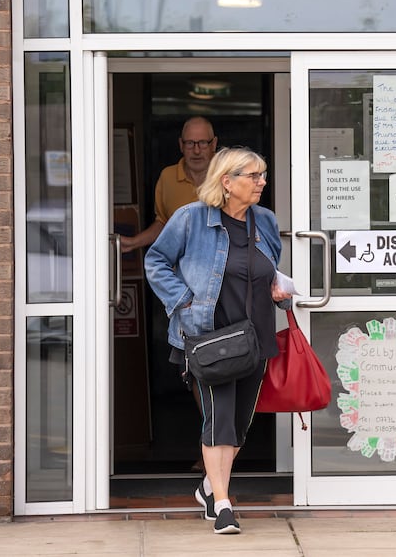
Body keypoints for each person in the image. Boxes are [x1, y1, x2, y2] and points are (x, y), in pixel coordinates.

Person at [144, 147, 292, 535]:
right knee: (218, 418)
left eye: (263, 175)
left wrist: (277, 289)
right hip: (208, 338)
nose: (262, 182)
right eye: (253, 176)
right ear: (227, 182)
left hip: (255, 337)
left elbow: (269, 269)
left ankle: (209, 486)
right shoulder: (192, 219)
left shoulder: (266, 221)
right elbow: (155, 261)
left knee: (240, 425)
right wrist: (182, 301)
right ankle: (223, 504)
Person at [120, 116, 217, 253]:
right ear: (181, 145)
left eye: (202, 143)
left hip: (219, 271)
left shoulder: (229, 177)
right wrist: (133, 243)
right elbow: (164, 224)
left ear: (213, 144)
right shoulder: (168, 177)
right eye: (190, 143)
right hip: (177, 271)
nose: (196, 151)